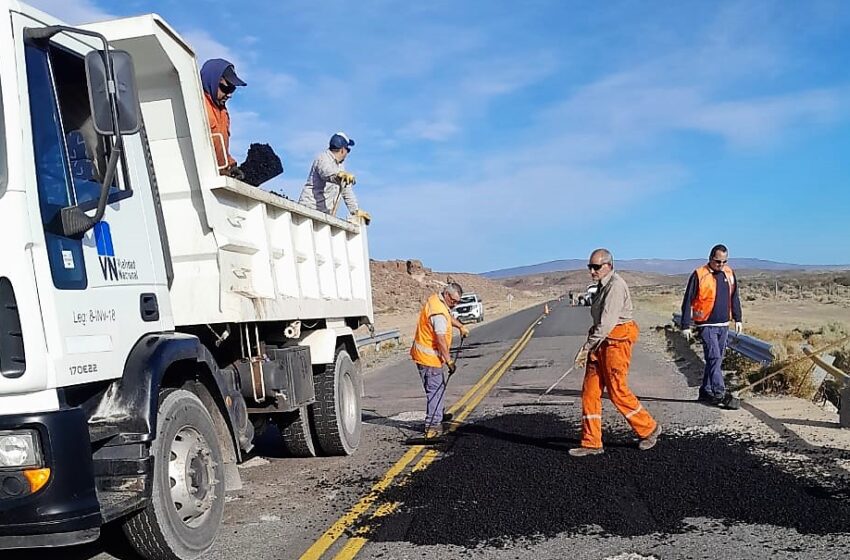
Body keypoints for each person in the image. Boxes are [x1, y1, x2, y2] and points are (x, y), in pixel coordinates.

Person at [569, 249, 661, 457]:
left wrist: (585, 348)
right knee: (590, 392)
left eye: (596, 267)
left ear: (609, 265)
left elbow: (607, 323)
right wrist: (591, 346)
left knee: (617, 390)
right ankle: (591, 442)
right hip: (600, 343)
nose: (592, 271)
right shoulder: (601, 287)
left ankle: (649, 428)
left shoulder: (616, 287)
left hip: (615, 343)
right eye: (590, 267)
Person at [680, 244, 742, 405]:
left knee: (716, 359)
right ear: (710, 259)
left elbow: (734, 297)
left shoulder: (729, 273)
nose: (721, 265)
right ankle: (720, 393)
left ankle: (705, 391)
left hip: (724, 324)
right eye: (717, 261)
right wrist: (685, 324)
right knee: (714, 356)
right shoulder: (699, 274)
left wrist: (738, 318)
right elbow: (688, 300)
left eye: (724, 261)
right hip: (706, 325)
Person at [410, 283, 470, 440]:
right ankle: (432, 426)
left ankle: (438, 414)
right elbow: (440, 338)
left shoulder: (437, 302)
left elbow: (448, 317)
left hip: (426, 357)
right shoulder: (438, 313)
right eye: (455, 301)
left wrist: (460, 326)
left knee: (438, 387)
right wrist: (449, 360)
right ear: (448, 296)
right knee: (435, 390)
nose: (456, 304)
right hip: (428, 359)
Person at [299, 133, 371, 223]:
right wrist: (338, 175)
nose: (347, 153)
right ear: (342, 150)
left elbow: (346, 190)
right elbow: (326, 173)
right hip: (308, 210)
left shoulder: (340, 166)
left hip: (324, 214)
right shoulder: (323, 158)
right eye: (348, 150)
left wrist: (355, 211)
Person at [200, 58, 247, 179]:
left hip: (218, 179)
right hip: (204, 179)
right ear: (213, 81)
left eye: (232, 89)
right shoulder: (198, 106)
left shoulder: (223, 112)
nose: (229, 94)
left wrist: (231, 165)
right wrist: (217, 171)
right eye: (226, 88)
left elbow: (219, 147)